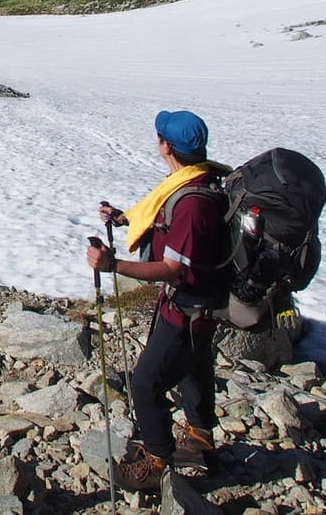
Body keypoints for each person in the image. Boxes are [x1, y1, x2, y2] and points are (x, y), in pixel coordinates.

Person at [87, 109, 230, 491]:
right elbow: (159, 214)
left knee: (146, 382)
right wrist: (122, 218)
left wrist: (113, 264)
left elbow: (173, 269)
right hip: (200, 308)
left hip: (186, 309)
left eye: (159, 137)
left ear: (165, 145)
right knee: (193, 367)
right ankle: (200, 441)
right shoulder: (199, 181)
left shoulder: (192, 204)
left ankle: (156, 459)